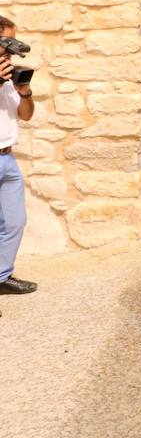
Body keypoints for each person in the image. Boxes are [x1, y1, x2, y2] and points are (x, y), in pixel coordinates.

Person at [0, 15, 37, 299]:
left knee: (14, 222)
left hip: (7, 158)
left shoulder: (10, 75)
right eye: (7, 41)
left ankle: (1, 276)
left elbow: (25, 115)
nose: (12, 48)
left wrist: (24, 93)